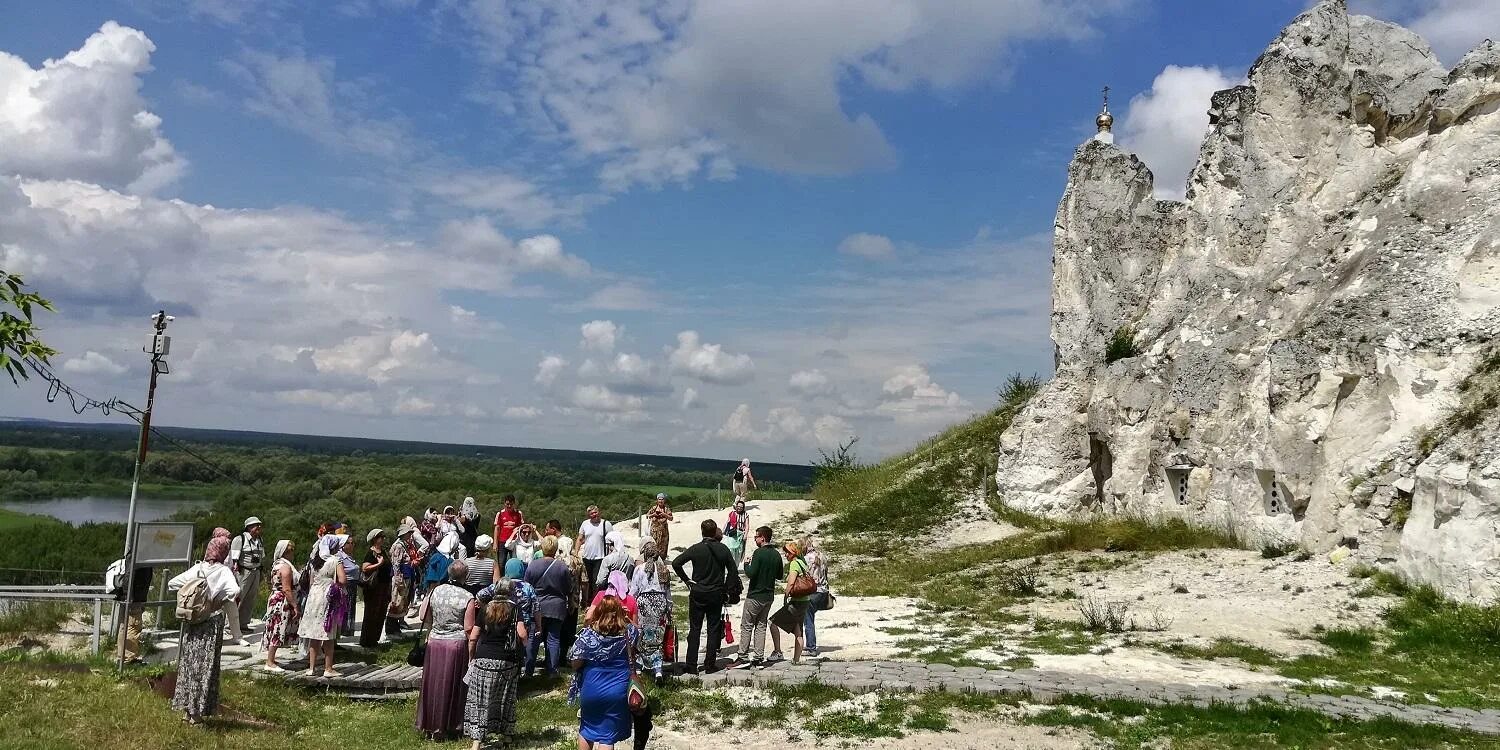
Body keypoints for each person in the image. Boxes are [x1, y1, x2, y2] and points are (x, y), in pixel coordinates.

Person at [167, 535, 241, 725]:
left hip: (193, 623)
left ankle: (187, 711)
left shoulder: (197, 568)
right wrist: (215, 598)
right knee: (204, 667)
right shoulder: (223, 571)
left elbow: (172, 583)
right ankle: (197, 714)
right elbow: (235, 591)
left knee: (189, 666)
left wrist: (195, 592)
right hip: (210, 623)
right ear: (223, 552)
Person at [671, 519, 741, 674]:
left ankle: (691, 664)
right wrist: (727, 589)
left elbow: (676, 563)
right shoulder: (723, 549)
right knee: (713, 629)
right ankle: (709, 664)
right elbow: (733, 571)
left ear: (702, 531)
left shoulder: (696, 549)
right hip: (716, 593)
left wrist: (687, 580)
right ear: (715, 531)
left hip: (698, 592)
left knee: (695, 629)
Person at [417, 560, 476, 740]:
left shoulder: (435, 591)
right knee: (451, 685)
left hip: (435, 642)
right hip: (455, 645)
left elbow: (422, 615)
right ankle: (449, 725)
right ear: (465, 576)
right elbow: (468, 628)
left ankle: (430, 724)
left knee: (432, 684)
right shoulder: (467, 597)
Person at [464, 579, 526, 750]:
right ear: (512, 592)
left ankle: (477, 741)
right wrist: (524, 647)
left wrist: (471, 657)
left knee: (480, 700)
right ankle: (506, 736)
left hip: (484, 659)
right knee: (506, 698)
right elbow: (522, 634)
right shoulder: (514, 609)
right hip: (507, 660)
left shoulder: (485, 608)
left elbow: (474, 637)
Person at [569, 596, 636, 750]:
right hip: (617, 690)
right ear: (619, 612)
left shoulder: (587, 635)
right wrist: (626, 618)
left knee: (587, 730)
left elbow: (575, 664)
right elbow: (638, 636)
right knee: (607, 737)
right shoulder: (629, 633)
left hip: (591, 688)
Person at [298, 534, 351, 677]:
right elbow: (342, 579)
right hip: (328, 596)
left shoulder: (314, 561)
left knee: (314, 633)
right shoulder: (335, 560)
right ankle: (328, 668)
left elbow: (310, 582)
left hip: (313, 596)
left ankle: (311, 667)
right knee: (328, 632)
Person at [522, 535, 572, 677]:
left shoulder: (533, 565)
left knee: (534, 638)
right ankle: (553, 671)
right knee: (554, 638)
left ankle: (529, 670)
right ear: (555, 549)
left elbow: (527, 586)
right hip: (557, 606)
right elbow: (569, 587)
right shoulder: (562, 566)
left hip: (537, 607)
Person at [732, 526, 782, 669]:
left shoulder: (758, 553)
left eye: (756, 536)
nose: (755, 539)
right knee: (761, 626)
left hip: (755, 595)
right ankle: (759, 657)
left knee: (747, 625)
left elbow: (751, 573)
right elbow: (779, 575)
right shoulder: (776, 554)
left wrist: (747, 564)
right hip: (768, 595)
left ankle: (742, 656)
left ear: (763, 538)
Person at [629, 539, 672, 678]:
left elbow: (634, 591)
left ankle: (640, 666)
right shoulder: (663, 569)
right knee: (658, 635)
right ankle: (658, 668)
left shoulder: (639, 569)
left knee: (642, 634)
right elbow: (667, 592)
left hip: (644, 602)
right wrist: (669, 607)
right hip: (660, 602)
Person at [769, 541, 811, 665]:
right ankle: (796, 660)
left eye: (787, 552)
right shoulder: (803, 562)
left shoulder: (794, 564)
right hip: (805, 600)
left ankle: (778, 651)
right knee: (798, 630)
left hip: (796, 601)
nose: (785, 555)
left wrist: (786, 595)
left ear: (792, 553)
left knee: (772, 622)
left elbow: (791, 583)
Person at [261, 539, 300, 671]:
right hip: (282, 601)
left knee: (274, 628)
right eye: (291, 551)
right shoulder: (285, 567)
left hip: (275, 598)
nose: (293, 553)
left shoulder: (276, 565)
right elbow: (286, 588)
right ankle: (270, 661)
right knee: (278, 629)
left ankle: (271, 659)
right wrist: (294, 605)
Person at [229, 517, 266, 629]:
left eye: (259, 525)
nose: (259, 527)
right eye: (256, 525)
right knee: (239, 597)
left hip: (256, 571)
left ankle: (243, 623)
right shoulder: (240, 539)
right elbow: (234, 557)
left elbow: (262, 555)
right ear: (249, 527)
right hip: (243, 571)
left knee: (250, 598)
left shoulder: (259, 539)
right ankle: (230, 624)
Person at [113, 562, 153, 664]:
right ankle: (129, 659)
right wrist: (129, 596)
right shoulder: (140, 557)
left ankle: (122, 657)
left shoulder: (137, 556)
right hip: (134, 597)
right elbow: (130, 575)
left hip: (130, 596)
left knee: (125, 626)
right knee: (133, 626)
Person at [360, 529, 393, 648]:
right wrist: (378, 564)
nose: (383, 539)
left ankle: (375, 639)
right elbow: (364, 567)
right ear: (375, 539)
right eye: (380, 537)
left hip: (384, 585)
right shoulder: (371, 553)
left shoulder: (383, 551)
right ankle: (366, 640)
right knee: (371, 613)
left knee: (380, 613)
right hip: (374, 587)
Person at [388, 520, 420, 636]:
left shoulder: (405, 545)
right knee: (396, 601)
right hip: (401, 577)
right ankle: (391, 627)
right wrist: (398, 580)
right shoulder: (398, 546)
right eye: (408, 533)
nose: (410, 535)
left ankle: (397, 625)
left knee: (402, 601)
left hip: (407, 574)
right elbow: (396, 564)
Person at [802, 535, 830, 659]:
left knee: (808, 620)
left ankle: (811, 647)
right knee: (811, 618)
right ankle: (810, 644)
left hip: (813, 591)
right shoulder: (822, 556)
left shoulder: (806, 559)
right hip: (823, 591)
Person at [576, 507, 613, 602]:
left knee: (596, 581)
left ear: (599, 512)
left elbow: (612, 539)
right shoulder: (585, 524)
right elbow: (580, 539)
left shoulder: (606, 524)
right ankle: (587, 602)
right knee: (587, 581)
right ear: (588, 515)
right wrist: (575, 553)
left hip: (600, 557)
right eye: (591, 513)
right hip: (587, 557)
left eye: (595, 512)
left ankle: (595, 602)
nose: (594, 515)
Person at [494, 495, 524, 565]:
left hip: (514, 541)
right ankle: (501, 575)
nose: (509, 506)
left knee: (514, 562)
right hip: (502, 541)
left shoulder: (518, 514)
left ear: (514, 504)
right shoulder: (500, 514)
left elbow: (521, 527)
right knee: (501, 563)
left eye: (511, 504)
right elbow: (497, 528)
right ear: (504, 503)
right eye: (507, 504)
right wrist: (495, 543)